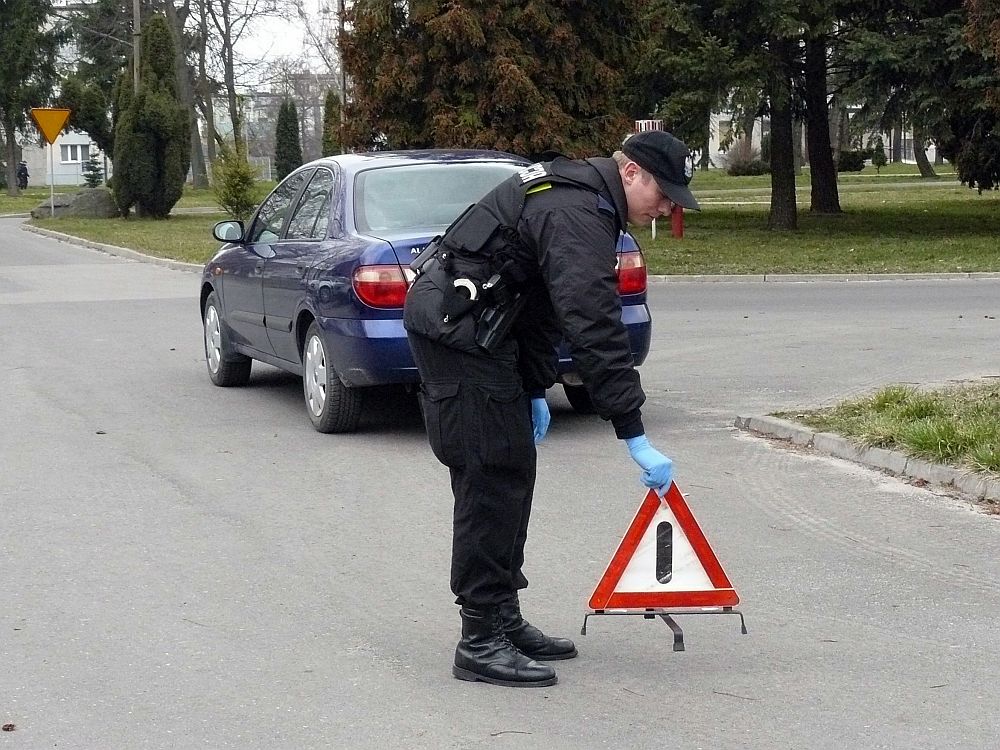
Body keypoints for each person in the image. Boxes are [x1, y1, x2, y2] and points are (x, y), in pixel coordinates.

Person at [403, 130, 700, 688]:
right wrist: (632, 430)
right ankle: (479, 638)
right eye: (664, 193)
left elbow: (538, 303)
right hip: (456, 333)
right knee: (489, 477)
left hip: (488, 330)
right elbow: (592, 321)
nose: (666, 207)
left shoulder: (584, 201)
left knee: (513, 470)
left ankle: (504, 619)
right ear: (631, 171)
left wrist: (536, 385)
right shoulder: (576, 211)